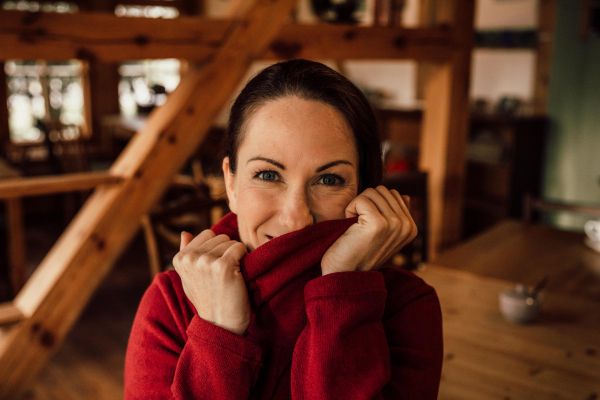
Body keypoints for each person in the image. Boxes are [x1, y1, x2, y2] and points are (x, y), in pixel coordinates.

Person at [125, 59, 443, 399]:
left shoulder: (405, 307)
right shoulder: (172, 304)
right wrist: (218, 332)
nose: (296, 218)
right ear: (231, 183)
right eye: (267, 175)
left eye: (329, 179)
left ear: (363, 191)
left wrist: (345, 291)